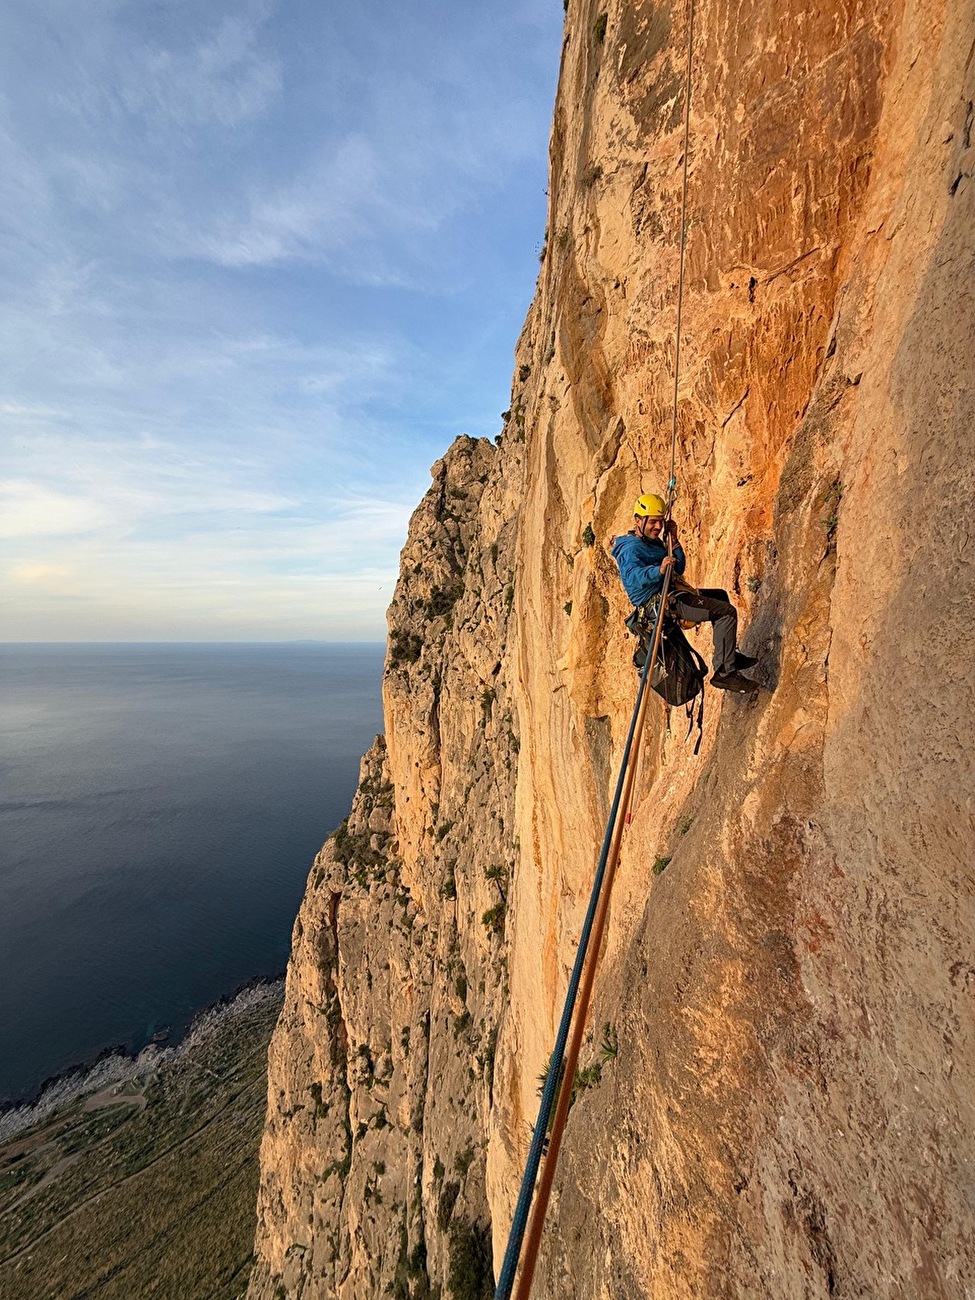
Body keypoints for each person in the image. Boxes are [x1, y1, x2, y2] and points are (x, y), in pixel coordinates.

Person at [611, 493, 758, 693]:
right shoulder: (631, 548)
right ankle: (725, 673)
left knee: (720, 596)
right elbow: (633, 577)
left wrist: (673, 539)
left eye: (660, 522)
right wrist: (659, 570)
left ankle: (729, 655)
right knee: (725, 612)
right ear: (638, 520)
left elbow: (678, 568)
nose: (658, 527)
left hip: (669, 592)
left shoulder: (651, 542)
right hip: (660, 602)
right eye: (653, 521)